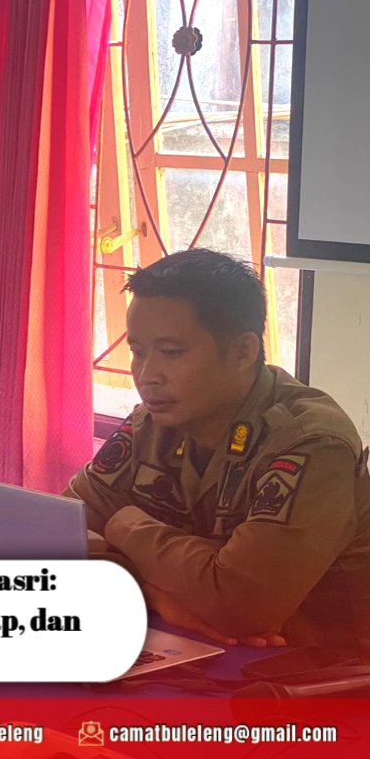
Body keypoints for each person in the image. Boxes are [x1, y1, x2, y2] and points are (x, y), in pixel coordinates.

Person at [66, 249, 370, 659]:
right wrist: (152, 593)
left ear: (244, 352)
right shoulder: (152, 422)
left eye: (172, 353)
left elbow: (241, 606)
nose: (147, 376)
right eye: (138, 351)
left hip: (323, 671)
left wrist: (125, 524)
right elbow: (55, 538)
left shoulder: (311, 443)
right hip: (199, 647)